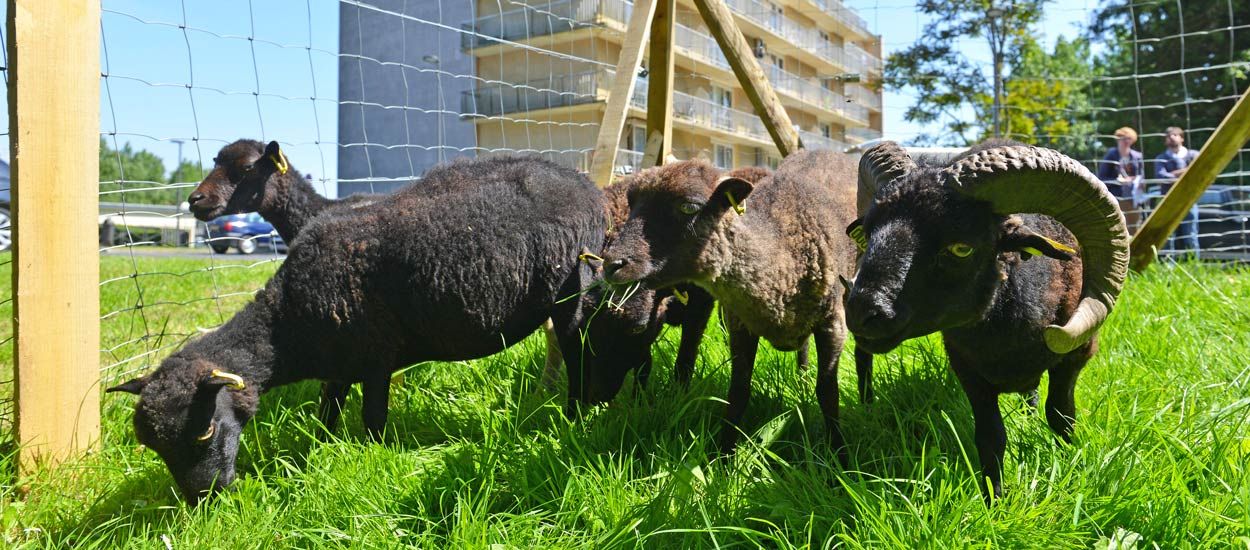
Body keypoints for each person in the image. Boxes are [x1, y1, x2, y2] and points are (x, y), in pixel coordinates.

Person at [1154, 126, 1200, 255]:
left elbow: (1198, 173)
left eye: (1174, 135)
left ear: (1182, 138)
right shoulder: (1161, 158)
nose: (1171, 138)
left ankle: (1193, 265)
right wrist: (1186, 172)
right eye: (1168, 136)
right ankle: (1169, 267)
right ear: (1165, 141)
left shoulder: (1194, 155)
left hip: (1189, 201)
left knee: (1190, 235)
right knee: (1168, 236)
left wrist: (1173, 174)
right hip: (1167, 201)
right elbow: (1161, 177)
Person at [1097, 127, 1145, 202]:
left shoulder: (1138, 156)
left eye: (1129, 138)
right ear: (1118, 139)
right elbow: (1102, 178)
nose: (1126, 141)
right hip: (1114, 197)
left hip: (1134, 198)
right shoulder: (1110, 155)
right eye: (1123, 138)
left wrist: (1134, 180)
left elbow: (1141, 177)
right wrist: (1118, 181)